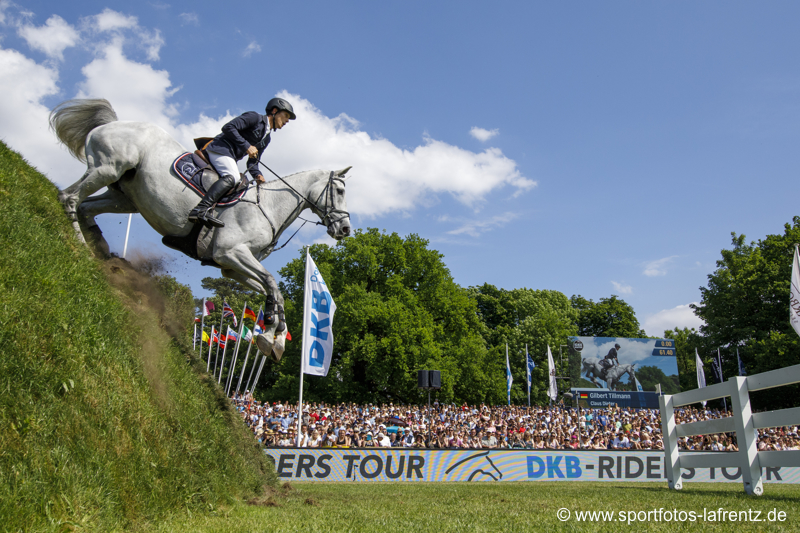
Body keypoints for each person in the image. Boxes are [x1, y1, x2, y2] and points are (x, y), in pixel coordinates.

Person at [188, 97, 296, 227]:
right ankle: (200, 209)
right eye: (285, 115)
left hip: (229, 157)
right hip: (220, 149)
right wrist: (246, 146)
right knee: (233, 177)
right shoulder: (255, 117)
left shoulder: (266, 139)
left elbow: (252, 163)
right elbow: (228, 127)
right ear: (274, 111)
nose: (287, 121)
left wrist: (257, 175)